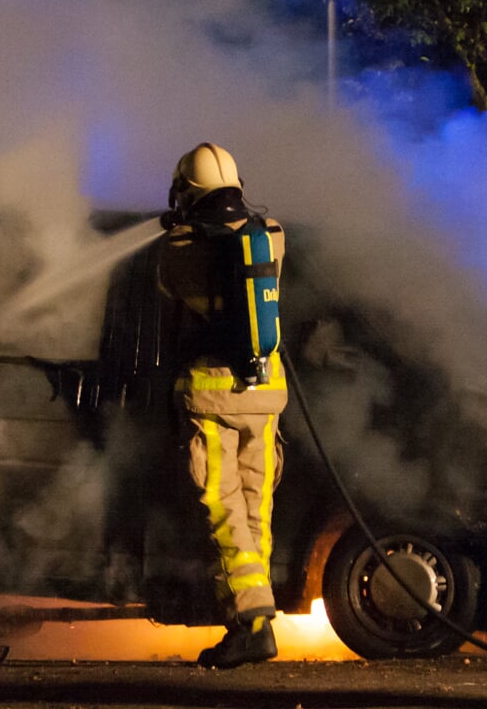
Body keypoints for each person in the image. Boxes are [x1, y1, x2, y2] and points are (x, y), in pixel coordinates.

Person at [157, 142, 288, 667]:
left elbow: (168, 287)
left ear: (188, 191)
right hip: (267, 393)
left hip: (213, 396)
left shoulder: (178, 252)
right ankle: (257, 618)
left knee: (224, 508)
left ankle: (252, 622)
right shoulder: (272, 236)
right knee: (257, 507)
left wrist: (178, 224)